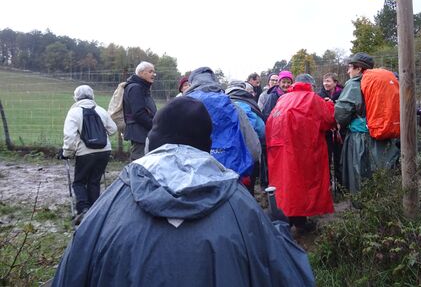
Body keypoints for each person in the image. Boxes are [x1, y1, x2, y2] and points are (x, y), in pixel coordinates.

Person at [52, 97, 315, 287]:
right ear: (208, 145)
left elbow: (70, 273)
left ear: (152, 141)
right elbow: (289, 276)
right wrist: (279, 229)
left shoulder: (111, 202)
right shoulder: (241, 205)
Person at [266, 74, 335, 233]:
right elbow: (328, 120)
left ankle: (292, 220)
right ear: (310, 85)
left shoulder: (283, 99)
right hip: (301, 150)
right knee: (300, 186)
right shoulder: (312, 98)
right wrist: (330, 106)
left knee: (285, 186)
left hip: (278, 149)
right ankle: (297, 222)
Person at [334, 52, 400, 196]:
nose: (348, 71)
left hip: (361, 138)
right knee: (382, 172)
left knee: (361, 173)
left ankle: (364, 207)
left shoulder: (355, 84)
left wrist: (339, 124)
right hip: (386, 134)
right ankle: (385, 204)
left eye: (350, 67)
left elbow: (343, 110)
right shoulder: (384, 81)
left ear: (358, 69)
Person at [185, 67, 258, 180]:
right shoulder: (233, 107)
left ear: (192, 83)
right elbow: (254, 148)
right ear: (214, 81)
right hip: (230, 177)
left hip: (191, 179)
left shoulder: (178, 107)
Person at [58, 85, 117, 225]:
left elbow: (70, 137)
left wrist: (67, 153)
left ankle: (83, 209)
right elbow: (113, 129)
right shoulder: (101, 110)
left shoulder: (74, 112)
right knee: (94, 181)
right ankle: (95, 212)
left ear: (76, 97)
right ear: (93, 96)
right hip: (104, 150)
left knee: (79, 182)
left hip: (85, 152)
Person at [226, 80, 266, 194]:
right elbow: (261, 129)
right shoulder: (250, 104)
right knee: (248, 187)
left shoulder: (222, 103)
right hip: (248, 153)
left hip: (226, 153)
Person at [123, 61, 157, 161]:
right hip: (139, 132)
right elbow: (138, 113)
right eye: (150, 72)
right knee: (139, 161)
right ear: (142, 73)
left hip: (141, 131)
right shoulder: (135, 88)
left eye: (154, 72)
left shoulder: (141, 87)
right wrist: (155, 126)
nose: (153, 75)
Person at [318, 72, 345, 189]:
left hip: (340, 131)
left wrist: (334, 103)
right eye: (324, 81)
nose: (325, 84)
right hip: (327, 133)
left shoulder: (343, 93)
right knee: (327, 159)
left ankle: (340, 186)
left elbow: (345, 109)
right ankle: (327, 185)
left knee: (339, 159)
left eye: (328, 81)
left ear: (335, 82)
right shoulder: (319, 94)